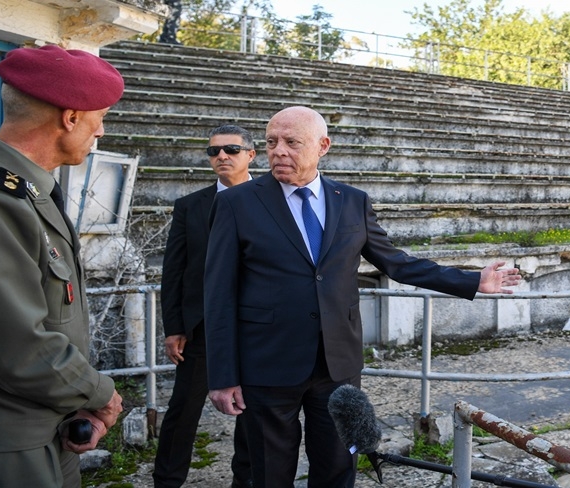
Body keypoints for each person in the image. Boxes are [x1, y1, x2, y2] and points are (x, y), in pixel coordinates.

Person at [203, 105, 522, 487]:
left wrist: (472, 281)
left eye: (292, 142)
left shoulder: (352, 200)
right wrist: (222, 376)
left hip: (338, 364)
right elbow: (218, 292)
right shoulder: (236, 202)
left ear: (323, 146)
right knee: (269, 472)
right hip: (266, 363)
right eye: (272, 142)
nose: (279, 151)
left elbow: (396, 263)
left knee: (339, 466)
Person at [0, 45, 125, 487]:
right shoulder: (0, 201)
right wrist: (101, 393)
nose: (100, 131)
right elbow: (19, 344)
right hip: (11, 442)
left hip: (51, 428)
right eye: (98, 117)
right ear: (70, 118)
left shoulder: (29, 191)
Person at [154, 125, 255, 488]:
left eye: (230, 149)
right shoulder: (190, 206)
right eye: (213, 152)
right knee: (182, 411)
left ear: (250, 155)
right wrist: (174, 327)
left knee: (254, 414)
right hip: (203, 329)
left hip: (259, 327)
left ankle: (245, 481)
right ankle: (166, 481)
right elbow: (174, 271)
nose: (221, 156)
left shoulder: (276, 199)